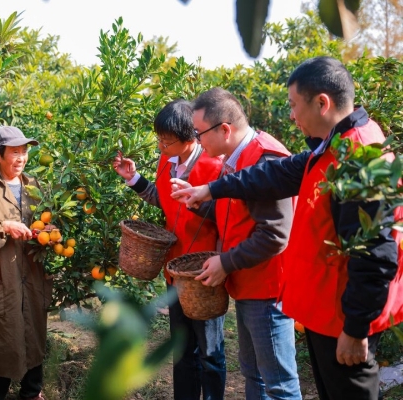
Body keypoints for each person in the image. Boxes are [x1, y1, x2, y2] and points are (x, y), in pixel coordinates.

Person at [171, 57, 403, 400]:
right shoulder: (334, 145)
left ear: (321, 103)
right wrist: (212, 189)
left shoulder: (359, 158)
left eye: (294, 105)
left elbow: (377, 254)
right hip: (324, 310)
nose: (291, 115)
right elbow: (277, 175)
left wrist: (356, 328)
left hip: (340, 317)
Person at [173, 88, 302, 399]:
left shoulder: (264, 158)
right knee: (255, 376)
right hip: (249, 285)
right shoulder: (236, 158)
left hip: (268, 290)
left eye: (199, 132)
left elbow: (274, 234)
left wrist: (225, 262)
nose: (197, 141)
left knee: (279, 385)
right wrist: (199, 201)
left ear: (225, 129)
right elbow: (237, 213)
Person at [112, 99, 226, 400]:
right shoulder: (167, 162)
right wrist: (134, 180)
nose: (161, 146)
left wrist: (221, 260)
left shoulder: (214, 166)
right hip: (175, 272)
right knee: (182, 349)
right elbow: (163, 200)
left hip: (205, 273)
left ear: (191, 138)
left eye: (168, 140)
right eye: (159, 138)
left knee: (211, 353)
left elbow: (227, 217)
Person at [0, 126, 52, 400]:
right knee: (1, 339)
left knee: (33, 333)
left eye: (24, 152)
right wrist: (2, 226)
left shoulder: (35, 185)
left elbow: (50, 219)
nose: (21, 158)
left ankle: (32, 392)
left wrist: (52, 232)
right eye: (14, 152)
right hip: (2, 277)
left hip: (32, 276)